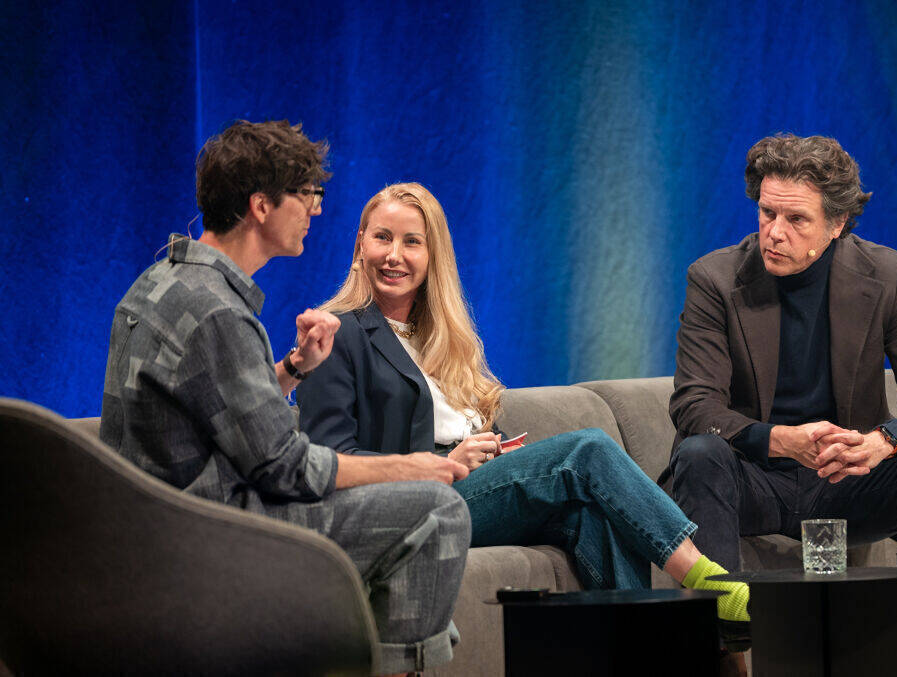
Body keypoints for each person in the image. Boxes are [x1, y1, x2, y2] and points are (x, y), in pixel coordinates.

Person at [295, 181, 752, 641]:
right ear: (360, 244)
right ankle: (710, 580)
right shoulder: (336, 334)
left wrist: (494, 450)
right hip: (417, 503)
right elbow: (330, 461)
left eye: (412, 241)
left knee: (592, 516)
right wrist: (442, 466)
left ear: (434, 256)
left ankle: (644, 658)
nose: (395, 255)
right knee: (587, 449)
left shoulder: (441, 339)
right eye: (383, 237)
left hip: (470, 487)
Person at [100, 121, 472, 675]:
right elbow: (285, 468)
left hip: (164, 527)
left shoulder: (163, 282)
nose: (317, 211)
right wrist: (409, 468)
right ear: (261, 206)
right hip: (213, 538)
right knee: (438, 511)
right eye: (307, 195)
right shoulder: (219, 311)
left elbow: (216, 411)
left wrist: (293, 369)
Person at [664, 134, 897, 572]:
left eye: (796, 219)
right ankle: (725, 631)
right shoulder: (714, 279)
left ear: (836, 225)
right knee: (700, 454)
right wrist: (781, 441)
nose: (775, 232)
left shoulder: (888, 275)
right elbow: (694, 404)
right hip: (755, 478)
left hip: (849, 481)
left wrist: (884, 442)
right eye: (767, 212)